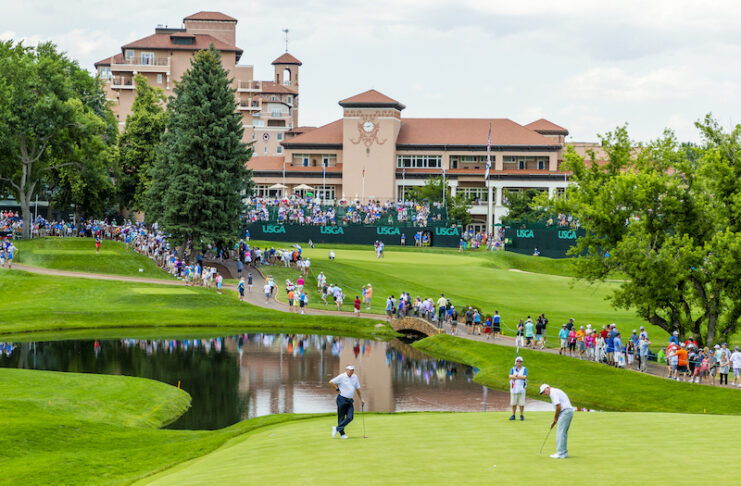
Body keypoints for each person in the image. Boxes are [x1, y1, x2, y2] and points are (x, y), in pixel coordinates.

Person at [329, 365, 364, 439]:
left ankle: (336, 429)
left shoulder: (355, 377)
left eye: (352, 370)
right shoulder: (342, 376)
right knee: (341, 417)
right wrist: (337, 389)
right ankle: (342, 434)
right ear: (346, 370)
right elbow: (331, 382)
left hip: (350, 400)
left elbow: (357, 388)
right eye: (350, 370)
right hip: (341, 399)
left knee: (350, 417)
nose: (351, 371)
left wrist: (361, 399)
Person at [539, 384, 574, 459]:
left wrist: (555, 418)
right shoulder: (554, 391)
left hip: (566, 412)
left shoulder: (553, 393)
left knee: (560, 432)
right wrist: (555, 420)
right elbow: (558, 407)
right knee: (563, 433)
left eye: (544, 391)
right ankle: (564, 453)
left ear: (547, 388)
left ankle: (561, 453)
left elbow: (558, 406)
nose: (545, 394)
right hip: (567, 412)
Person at [509, 357, 527, 421]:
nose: (519, 362)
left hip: (522, 388)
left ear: (522, 362)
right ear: (516, 362)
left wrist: (516, 376)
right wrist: (515, 376)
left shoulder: (524, 369)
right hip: (514, 388)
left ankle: (521, 415)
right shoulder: (513, 369)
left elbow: (524, 376)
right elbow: (510, 376)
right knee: (513, 403)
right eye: (518, 361)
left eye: (520, 361)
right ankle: (513, 415)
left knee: (521, 403)